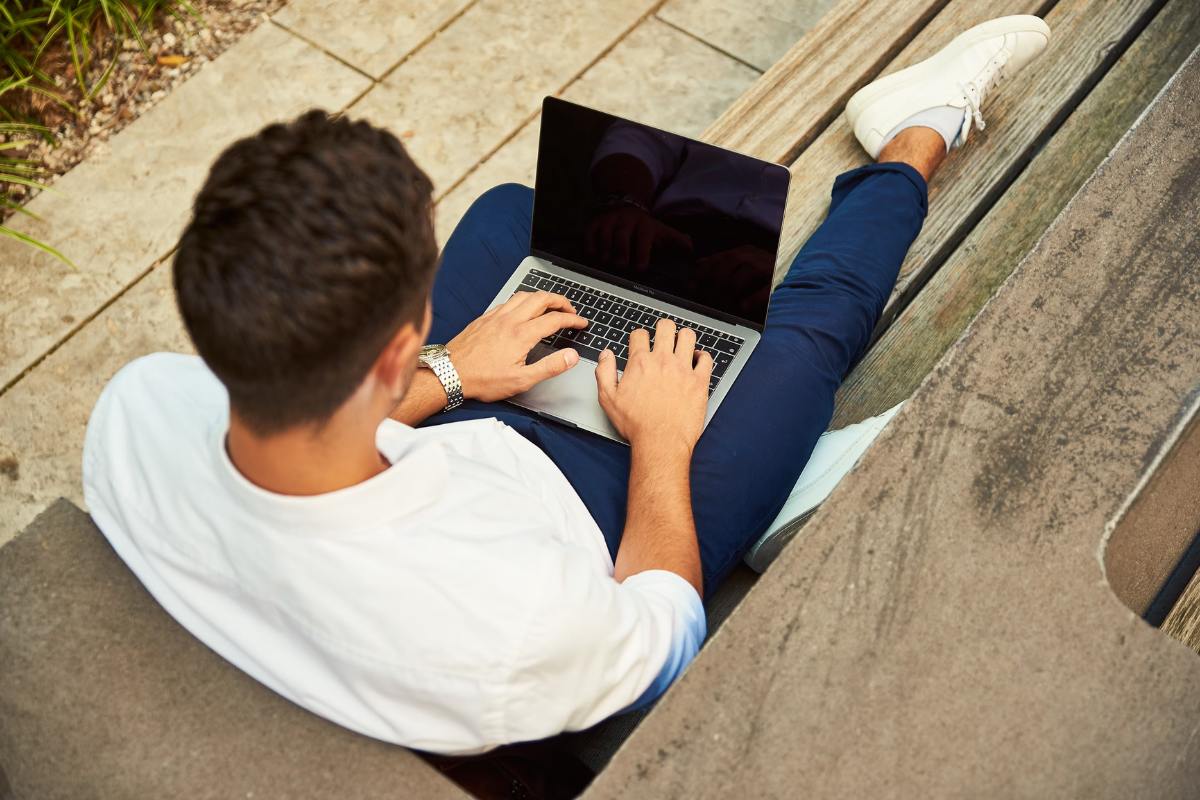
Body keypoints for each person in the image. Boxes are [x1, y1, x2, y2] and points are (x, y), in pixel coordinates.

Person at [82, 16, 1049, 754]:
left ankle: (761, 440)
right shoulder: (514, 628)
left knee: (513, 219)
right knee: (809, 327)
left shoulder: (139, 412)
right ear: (386, 352)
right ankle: (917, 134)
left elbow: (302, 440)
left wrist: (452, 371)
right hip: (604, 512)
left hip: (447, 431)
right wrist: (665, 442)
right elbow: (664, 641)